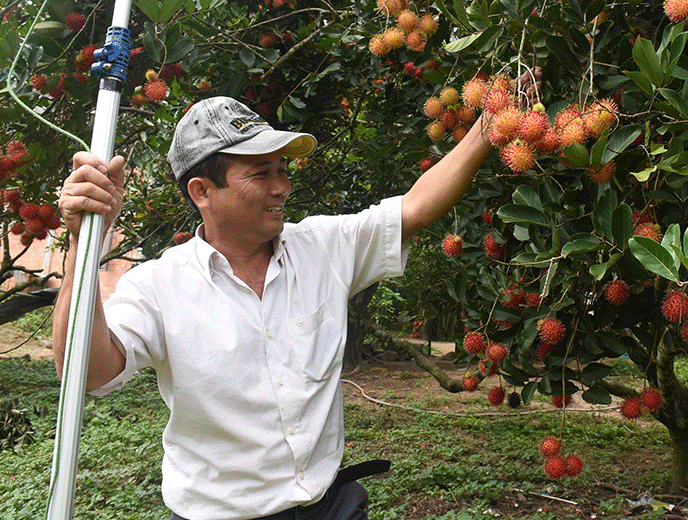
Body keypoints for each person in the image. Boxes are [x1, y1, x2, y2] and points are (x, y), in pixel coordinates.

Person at [53, 83, 533, 520]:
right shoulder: (157, 286)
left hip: (332, 506)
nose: (282, 187)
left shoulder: (322, 247)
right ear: (202, 192)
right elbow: (88, 372)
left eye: (283, 170)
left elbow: (415, 207)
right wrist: (81, 244)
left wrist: (489, 126)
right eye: (262, 173)